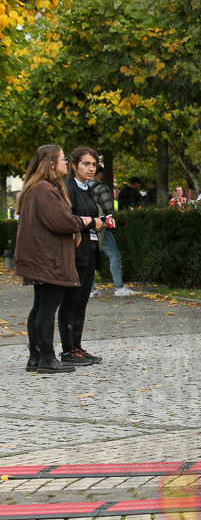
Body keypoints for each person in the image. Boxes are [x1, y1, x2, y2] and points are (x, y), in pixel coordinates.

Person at [14, 145, 93, 374]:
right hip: (47, 258)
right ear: (50, 163)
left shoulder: (36, 188)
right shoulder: (44, 189)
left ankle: (36, 357)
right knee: (47, 307)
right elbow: (62, 222)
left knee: (40, 306)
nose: (65, 162)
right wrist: (84, 222)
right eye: (62, 158)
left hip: (39, 256)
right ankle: (46, 359)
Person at [56, 147, 106, 366]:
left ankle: (76, 346)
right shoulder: (68, 188)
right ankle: (68, 349)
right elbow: (68, 219)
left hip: (89, 252)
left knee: (82, 302)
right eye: (86, 164)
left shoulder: (88, 188)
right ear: (74, 166)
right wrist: (90, 223)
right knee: (70, 302)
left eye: (94, 164)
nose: (91, 168)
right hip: (74, 253)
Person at [86, 160, 135, 297]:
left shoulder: (84, 187)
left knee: (90, 257)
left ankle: (91, 289)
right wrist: (110, 219)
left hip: (88, 224)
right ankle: (119, 287)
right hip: (101, 224)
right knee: (114, 255)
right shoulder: (101, 188)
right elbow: (108, 207)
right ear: (100, 174)